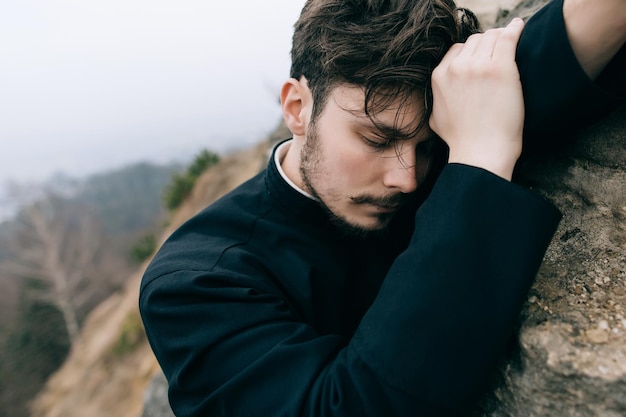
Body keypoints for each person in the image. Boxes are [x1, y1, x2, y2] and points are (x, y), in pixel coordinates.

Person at [140, 0, 625, 415]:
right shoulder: (194, 285)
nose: (407, 178)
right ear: (297, 109)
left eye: (429, 144)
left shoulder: (409, 161)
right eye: (376, 138)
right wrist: (479, 159)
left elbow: (535, 69)